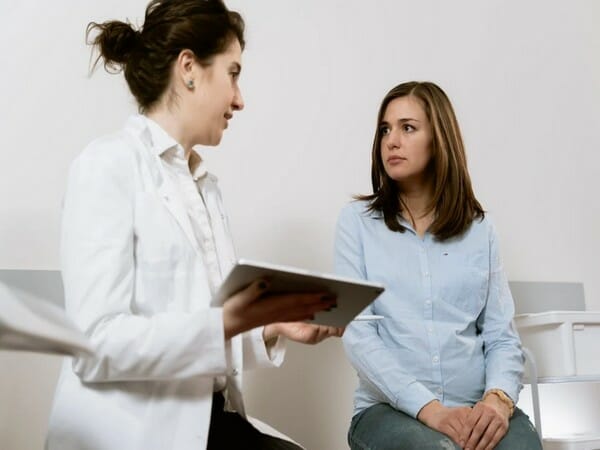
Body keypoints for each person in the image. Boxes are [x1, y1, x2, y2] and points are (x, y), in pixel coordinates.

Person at [46, 1, 342, 449]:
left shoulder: (204, 187)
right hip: (132, 433)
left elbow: (197, 338)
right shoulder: (106, 166)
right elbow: (95, 343)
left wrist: (270, 326)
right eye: (233, 73)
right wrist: (226, 321)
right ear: (189, 68)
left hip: (207, 423)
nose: (240, 99)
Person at [335, 81, 542, 450]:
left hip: (477, 405)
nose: (391, 141)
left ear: (439, 139)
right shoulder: (357, 223)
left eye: (407, 127)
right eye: (385, 129)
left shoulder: (481, 230)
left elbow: (500, 335)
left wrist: (496, 401)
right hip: (388, 411)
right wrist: (432, 411)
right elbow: (359, 336)